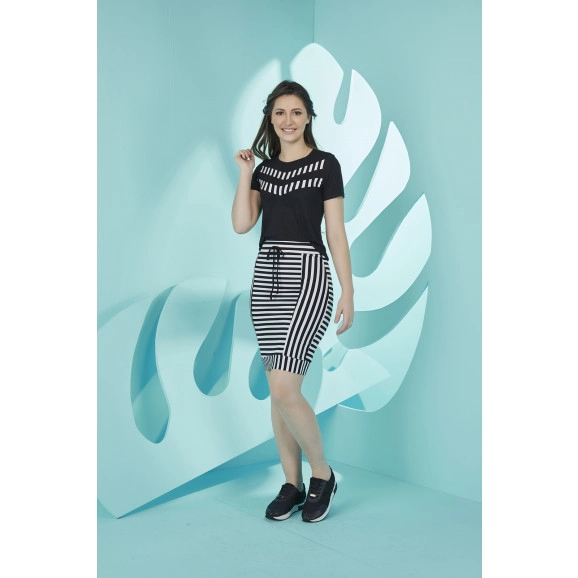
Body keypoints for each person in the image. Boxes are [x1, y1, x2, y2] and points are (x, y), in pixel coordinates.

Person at [232, 80, 354, 523]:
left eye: (297, 112)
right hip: (266, 278)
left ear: (308, 117)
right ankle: (292, 483)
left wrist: (348, 290)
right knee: (278, 392)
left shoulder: (325, 165)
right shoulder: (263, 171)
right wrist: (246, 173)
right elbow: (242, 224)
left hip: (308, 275)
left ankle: (323, 474)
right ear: (270, 118)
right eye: (280, 112)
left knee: (285, 387)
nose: (288, 120)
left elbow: (335, 233)